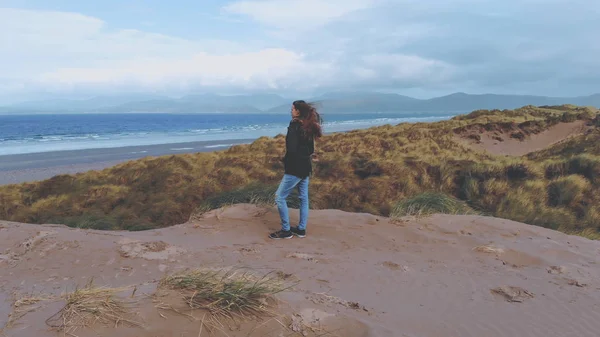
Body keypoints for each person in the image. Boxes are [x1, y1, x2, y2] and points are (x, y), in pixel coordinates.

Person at [269, 100, 323, 240]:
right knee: (303, 198)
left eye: (293, 109)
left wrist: (286, 160)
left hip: (295, 169)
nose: (291, 111)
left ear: (298, 111)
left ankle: (286, 231)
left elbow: (291, 149)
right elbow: (310, 149)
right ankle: (301, 229)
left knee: (279, 197)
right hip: (306, 167)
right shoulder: (308, 126)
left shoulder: (294, 126)